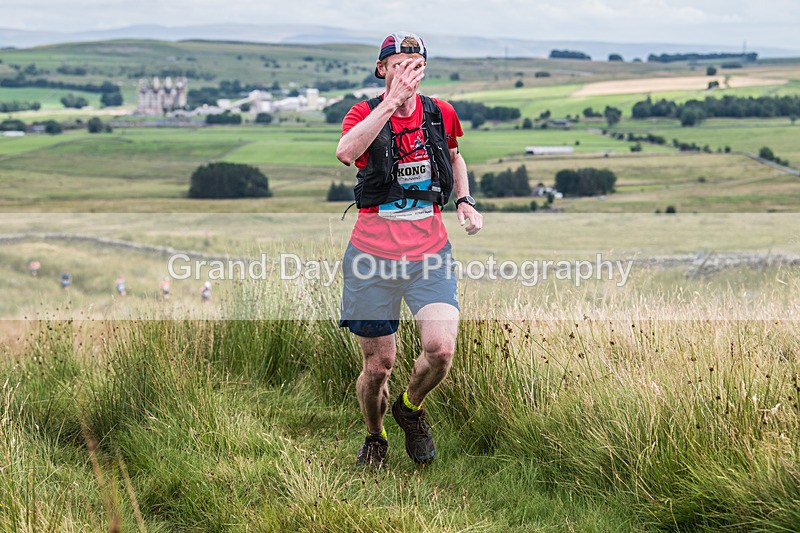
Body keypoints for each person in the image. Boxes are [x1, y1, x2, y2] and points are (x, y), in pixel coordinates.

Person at [335, 32, 482, 469]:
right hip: (372, 258)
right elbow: (346, 152)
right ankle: (375, 436)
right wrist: (389, 103)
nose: (407, 72)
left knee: (441, 350)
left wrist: (464, 200)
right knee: (378, 365)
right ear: (382, 69)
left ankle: (410, 408)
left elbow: (455, 157)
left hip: (429, 256)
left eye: (415, 65)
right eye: (398, 64)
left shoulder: (440, 113)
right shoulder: (363, 113)